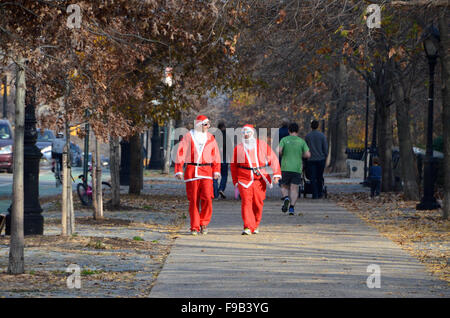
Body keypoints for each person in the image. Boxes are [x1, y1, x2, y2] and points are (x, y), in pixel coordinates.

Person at [230, 124, 281, 235]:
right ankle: (247, 226)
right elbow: (233, 166)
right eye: (243, 133)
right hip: (244, 179)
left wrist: (276, 174)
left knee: (258, 203)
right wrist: (235, 181)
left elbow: (273, 159)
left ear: (252, 133)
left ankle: (255, 224)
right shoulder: (238, 148)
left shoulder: (262, 145)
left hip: (259, 178)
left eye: (248, 132)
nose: (246, 135)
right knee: (246, 202)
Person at [175, 115, 221, 235]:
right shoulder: (188, 136)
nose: (208, 126)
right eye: (206, 124)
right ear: (199, 125)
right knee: (194, 200)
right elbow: (180, 153)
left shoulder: (210, 137)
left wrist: (216, 170)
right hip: (192, 171)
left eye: (209, 124)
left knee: (207, 198)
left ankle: (204, 223)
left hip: (206, 171)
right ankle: (194, 226)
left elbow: (215, 155)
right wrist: (179, 169)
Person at [278, 122, 311, 215]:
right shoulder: (301, 141)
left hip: (285, 167)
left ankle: (286, 198)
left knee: (284, 186)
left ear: (289, 130)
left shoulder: (284, 140)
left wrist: (283, 153)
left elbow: (279, 151)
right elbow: (308, 154)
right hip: (297, 168)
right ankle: (292, 208)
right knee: (294, 188)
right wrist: (301, 154)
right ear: (297, 131)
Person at [305, 120, 328, 199]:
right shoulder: (322, 136)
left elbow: (306, 149)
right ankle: (320, 192)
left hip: (311, 160)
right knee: (319, 176)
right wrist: (325, 155)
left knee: (312, 177)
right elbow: (325, 148)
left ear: (311, 126)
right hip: (320, 159)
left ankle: (314, 194)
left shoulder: (308, 136)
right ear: (318, 126)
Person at [213, 121, 230, 199]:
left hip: (215, 159)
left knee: (215, 175)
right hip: (224, 158)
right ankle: (221, 188)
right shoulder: (227, 136)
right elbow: (230, 148)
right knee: (224, 175)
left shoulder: (213, 136)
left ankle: (215, 193)